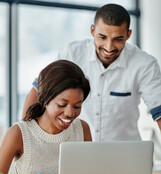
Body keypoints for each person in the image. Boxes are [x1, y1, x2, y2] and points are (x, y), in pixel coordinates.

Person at [22, 3, 161, 142]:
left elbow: (159, 112)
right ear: (92, 30)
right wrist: (26, 140)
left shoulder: (145, 65)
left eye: (118, 39)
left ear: (128, 34)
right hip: (75, 150)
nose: (109, 47)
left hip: (124, 154)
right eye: (102, 37)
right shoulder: (71, 53)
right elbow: (38, 91)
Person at [0, 60, 91, 174]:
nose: (70, 113)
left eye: (77, 106)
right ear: (45, 100)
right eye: (62, 105)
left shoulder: (82, 129)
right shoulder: (18, 133)